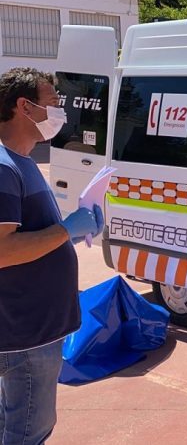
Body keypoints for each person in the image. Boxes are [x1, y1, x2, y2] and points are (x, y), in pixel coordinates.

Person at [0, 67, 104, 444]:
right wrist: (65, 230)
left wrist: (71, 235)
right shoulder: (4, 167)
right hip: (24, 335)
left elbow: (27, 239)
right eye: (53, 103)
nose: (60, 112)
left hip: (30, 328)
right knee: (28, 431)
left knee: (14, 425)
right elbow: (2, 250)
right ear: (24, 107)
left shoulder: (20, 162)